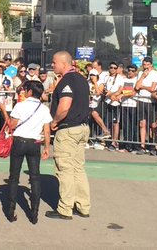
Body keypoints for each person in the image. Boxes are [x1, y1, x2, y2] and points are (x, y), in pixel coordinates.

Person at [0, 80, 51, 224]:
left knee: (14, 176)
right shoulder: (44, 109)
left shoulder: (20, 105)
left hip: (19, 142)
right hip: (35, 143)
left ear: (30, 92)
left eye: (26, 89)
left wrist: (3, 110)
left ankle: (10, 210)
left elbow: (11, 125)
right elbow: (47, 130)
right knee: (35, 177)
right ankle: (34, 213)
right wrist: (46, 147)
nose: (24, 91)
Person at [45, 51, 90, 221]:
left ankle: (65, 208)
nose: (52, 65)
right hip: (82, 128)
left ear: (64, 63)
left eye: (54, 62)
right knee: (78, 168)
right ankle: (83, 205)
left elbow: (64, 106)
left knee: (65, 169)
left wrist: (54, 121)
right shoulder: (81, 79)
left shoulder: (67, 81)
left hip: (68, 129)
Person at [134, 57, 157, 153]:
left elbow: (152, 88)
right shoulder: (141, 74)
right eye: (144, 65)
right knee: (142, 124)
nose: (145, 67)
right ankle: (142, 146)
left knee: (153, 125)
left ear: (151, 65)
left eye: (147, 65)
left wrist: (143, 86)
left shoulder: (155, 74)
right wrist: (142, 77)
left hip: (151, 101)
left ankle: (154, 145)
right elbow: (137, 87)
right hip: (141, 100)